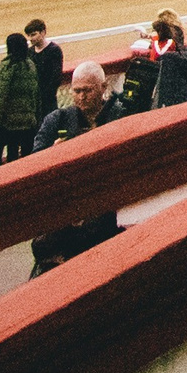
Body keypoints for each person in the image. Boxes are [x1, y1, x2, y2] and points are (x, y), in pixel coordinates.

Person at [28, 62, 131, 273]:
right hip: (65, 208)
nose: (81, 97)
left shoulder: (122, 117)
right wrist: (53, 155)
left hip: (103, 210)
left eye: (87, 90)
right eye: (77, 91)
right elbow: (34, 164)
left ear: (103, 88)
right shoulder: (56, 120)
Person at [0, 32, 43, 164]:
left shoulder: (5, 66)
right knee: (25, 160)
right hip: (28, 122)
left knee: (5, 159)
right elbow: (35, 95)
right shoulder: (31, 66)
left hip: (8, 123)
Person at [24, 19, 65, 118]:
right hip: (33, 102)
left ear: (43, 32)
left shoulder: (54, 50)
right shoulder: (29, 52)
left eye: (33, 34)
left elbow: (56, 77)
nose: (31, 38)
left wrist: (45, 95)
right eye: (29, 35)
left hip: (48, 100)